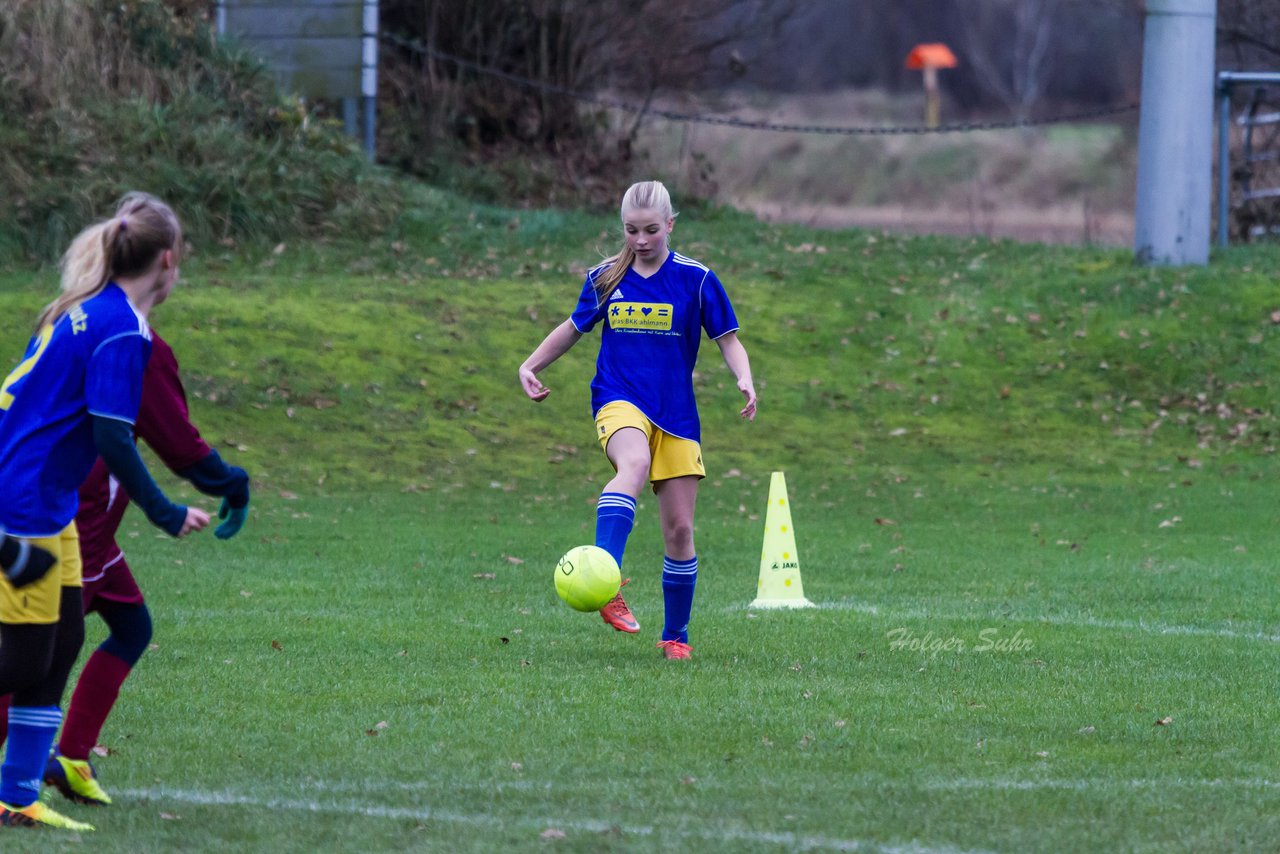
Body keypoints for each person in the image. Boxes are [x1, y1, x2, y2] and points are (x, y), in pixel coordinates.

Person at [0, 194, 209, 832]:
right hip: (24, 507)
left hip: (47, 506)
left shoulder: (92, 311)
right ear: (169, 261)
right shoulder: (116, 327)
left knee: (61, 646)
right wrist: (168, 510)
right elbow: (115, 437)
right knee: (26, 660)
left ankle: (17, 797)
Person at [519, 180, 757, 661]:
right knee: (633, 465)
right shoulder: (605, 277)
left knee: (680, 532)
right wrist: (530, 365)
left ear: (670, 225)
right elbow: (573, 327)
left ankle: (676, 638)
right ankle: (606, 579)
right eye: (631, 230)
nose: (641, 240)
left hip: (676, 413)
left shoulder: (697, 279)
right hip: (618, 397)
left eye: (651, 230)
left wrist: (745, 378)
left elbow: (727, 339)